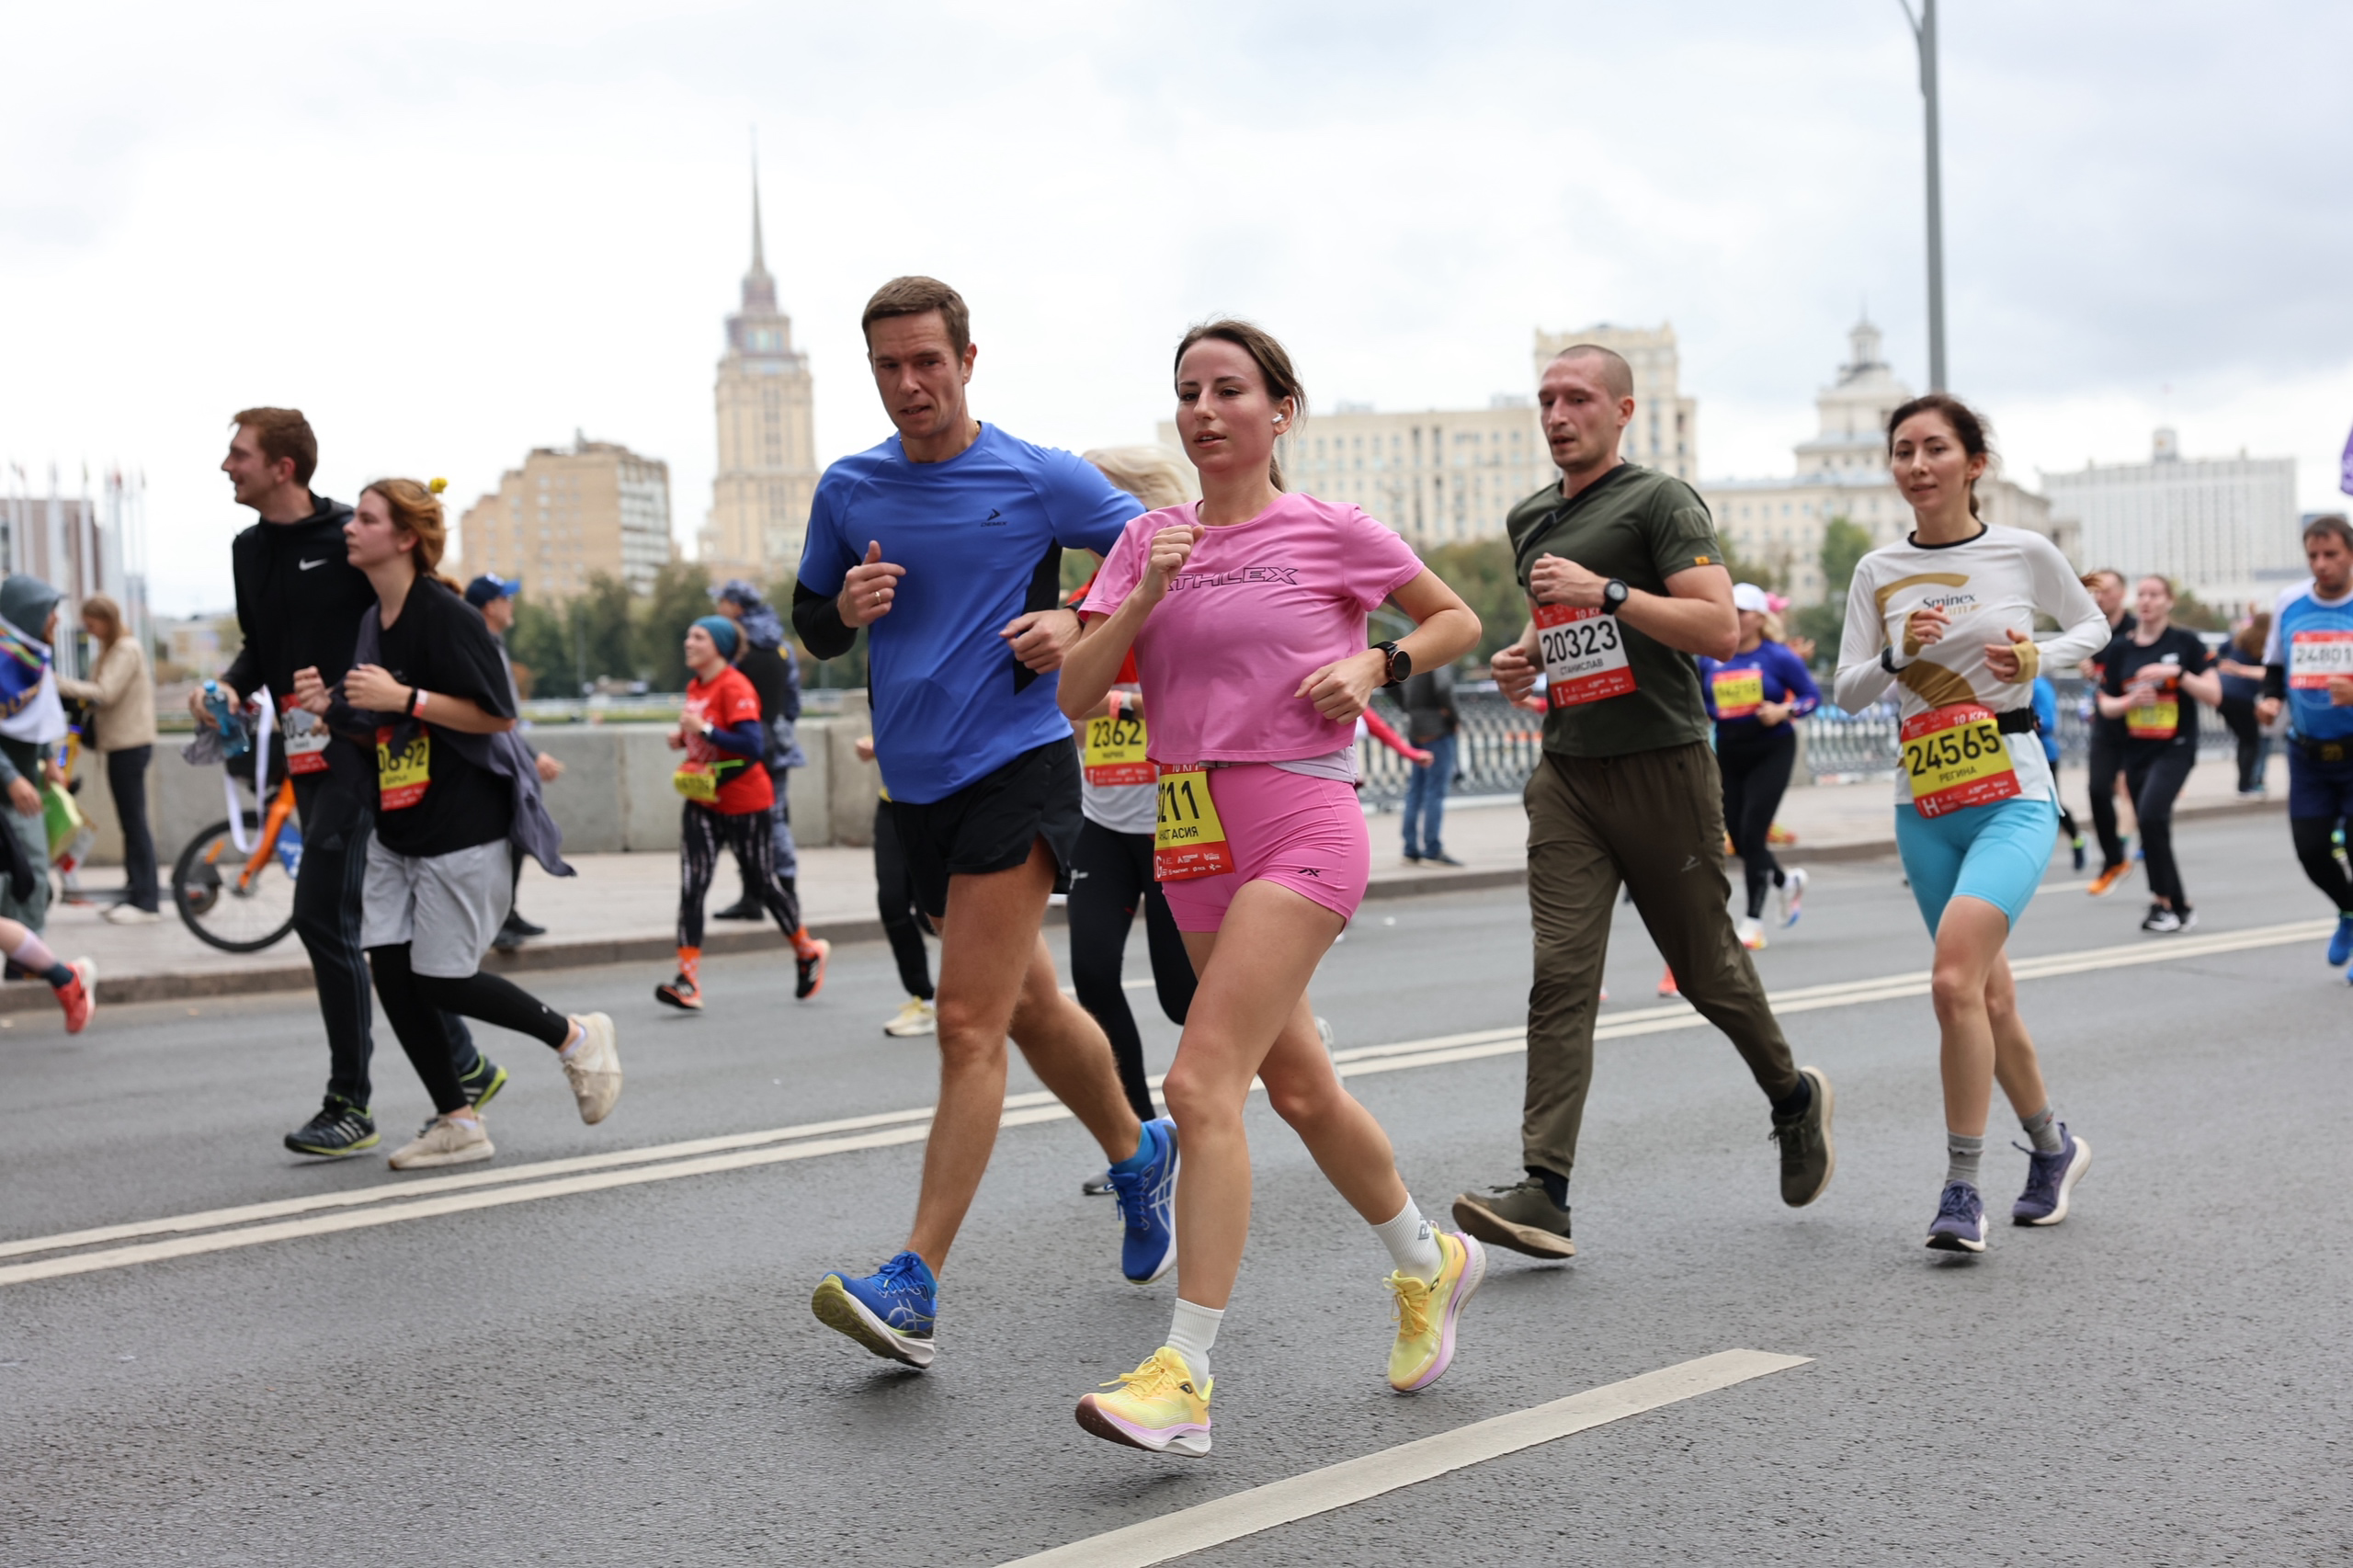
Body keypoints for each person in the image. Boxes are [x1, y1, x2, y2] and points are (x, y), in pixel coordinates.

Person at [1060, 319, 1485, 1457]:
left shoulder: (1331, 530)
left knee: (1200, 1084)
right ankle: (1426, 1259)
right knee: (1295, 1088)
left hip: (1301, 815)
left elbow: (1457, 618)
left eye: (1229, 389)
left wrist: (1377, 661)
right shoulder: (1146, 539)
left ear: (1278, 411)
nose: (1204, 409)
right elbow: (1074, 694)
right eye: (1187, 391)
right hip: (1189, 829)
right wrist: (1143, 598)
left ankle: (1184, 1372)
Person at [791, 276, 1176, 1370]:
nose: (910, 384)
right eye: (887, 367)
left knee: (966, 1020)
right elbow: (809, 618)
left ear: (967, 359)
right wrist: (843, 613)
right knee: (1028, 1002)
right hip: (917, 789)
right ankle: (1140, 1148)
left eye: (927, 361)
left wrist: (1075, 614)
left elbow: (1162, 550)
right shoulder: (850, 486)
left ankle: (912, 1282)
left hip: (1018, 762)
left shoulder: (1034, 473)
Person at [1453, 344, 1836, 1264]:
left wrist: (1609, 590)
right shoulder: (1529, 517)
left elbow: (1711, 624)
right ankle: (1544, 1190)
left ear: (1623, 411)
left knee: (1706, 969)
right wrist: (1527, 656)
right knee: (1560, 975)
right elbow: (1566, 628)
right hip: (1571, 771)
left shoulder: (1662, 500)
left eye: (1576, 397)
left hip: (1663, 764)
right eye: (1545, 399)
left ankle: (1790, 1096)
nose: (1556, 413)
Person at [1833, 393, 2105, 1252]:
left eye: (1935, 449)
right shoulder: (1877, 570)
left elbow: (2094, 625)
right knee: (1987, 993)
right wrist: (1895, 654)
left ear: (1974, 463)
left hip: (2015, 794)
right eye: (1903, 451)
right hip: (1925, 805)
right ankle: (2055, 1149)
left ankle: (1961, 1188)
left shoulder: (2021, 552)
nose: (1916, 466)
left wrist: (2038, 656)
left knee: (1953, 983)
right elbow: (1845, 689)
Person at [291, 479, 620, 1170]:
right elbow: (385, 723)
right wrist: (335, 709)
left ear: (405, 538)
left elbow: (497, 714)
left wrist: (403, 694)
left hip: (462, 822)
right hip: (398, 819)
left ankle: (574, 1036)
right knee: (389, 966)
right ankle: (458, 1120)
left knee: (441, 979)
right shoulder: (372, 621)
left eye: (369, 518)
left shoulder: (446, 615)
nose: (351, 527)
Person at [208, 409, 494, 1157]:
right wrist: (232, 687)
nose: (225, 466)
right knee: (367, 926)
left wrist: (391, 705)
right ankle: (461, 1058)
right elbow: (260, 646)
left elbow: (413, 615)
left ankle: (351, 1104)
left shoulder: (346, 537)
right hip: (303, 753)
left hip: (365, 755)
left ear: (284, 467)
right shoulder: (246, 549)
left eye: (238, 454)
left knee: (323, 919)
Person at [1063, 447, 1199, 1131]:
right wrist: (1118, 704)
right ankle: (1143, 1138)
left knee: (1184, 999)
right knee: (1091, 976)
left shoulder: (1187, 585)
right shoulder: (1081, 602)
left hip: (1178, 817)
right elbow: (1065, 701)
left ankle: (1287, 1037)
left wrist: (1123, 700)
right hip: (1104, 819)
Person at [657, 615, 827, 1007]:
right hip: (703, 801)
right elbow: (703, 734)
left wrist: (704, 731)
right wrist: (683, 737)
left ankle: (807, 950)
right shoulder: (695, 685)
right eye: (688, 634)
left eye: (697, 636)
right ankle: (688, 980)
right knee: (692, 885)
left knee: (764, 882)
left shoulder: (735, 686)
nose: (688, 642)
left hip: (745, 801)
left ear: (717, 645)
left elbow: (752, 744)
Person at [1698, 581, 1821, 949]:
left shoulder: (1778, 657)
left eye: (1742, 612)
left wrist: (1784, 710)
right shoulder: (1710, 657)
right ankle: (1787, 882)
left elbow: (1810, 697)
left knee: (1753, 831)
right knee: (1737, 835)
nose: (1734, 618)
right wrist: (1709, 714)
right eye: (1729, 611)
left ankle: (1752, 922)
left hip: (1772, 749)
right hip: (1730, 751)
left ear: (1759, 618)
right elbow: (1700, 701)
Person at [2256, 514, 2353, 975]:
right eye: (2313, 556)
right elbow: (2276, 666)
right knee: (2312, 850)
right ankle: (2349, 911)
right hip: (2308, 752)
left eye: (2331, 554)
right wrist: (2270, 700)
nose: (2321, 565)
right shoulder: (2290, 602)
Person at [2095, 575, 2221, 934]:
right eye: (2142, 595)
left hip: (2175, 747)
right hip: (2136, 749)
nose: (2147, 601)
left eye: (2155, 595)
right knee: (2153, 825)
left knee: (2150, 815)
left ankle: (2170, 902)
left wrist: (2177, 674)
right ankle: (2170, 904)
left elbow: (2214, 693)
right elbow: (2105, 704)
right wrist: (2131, 701)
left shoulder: (2185, 643)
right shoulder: (2120, 649)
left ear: (2169, 601)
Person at [461, 574, 565, 951]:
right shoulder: (478, 645)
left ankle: (506, 913)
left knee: (515, 837)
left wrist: (530, 754)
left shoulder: (493, 643)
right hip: (489, 758)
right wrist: (529, 756)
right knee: (501, 840)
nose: (512, 604)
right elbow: (491, 717)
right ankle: (495, 921)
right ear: (489, 606)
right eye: (507, 598)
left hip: (503, 751)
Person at [57, 595, 160, 924]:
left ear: (106, 619)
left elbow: (103, 692)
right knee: (130, 822)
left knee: (134, 822)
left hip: (129, 746)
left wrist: (58, 683)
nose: (89, 630)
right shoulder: (110, 650)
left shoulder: (125, 650)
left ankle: (146, 902)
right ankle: (136, 891)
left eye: (92, 624)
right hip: (119, 746)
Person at [857, 733, 937, 1037]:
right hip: (892, 804)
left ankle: (996, 984)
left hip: (939, 800)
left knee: (931, 912)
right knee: (891, 902)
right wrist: (872, 741)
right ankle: (924, 999)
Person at [2080, 568, 2140, 896]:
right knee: (2097, 790)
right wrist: (2087, 669)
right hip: (2106, 723)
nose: (2100, 597)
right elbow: (2098, 679)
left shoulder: (2136, 630)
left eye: (2107, 590)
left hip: (2139, 725)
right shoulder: (2092, 631)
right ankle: (2113, 859)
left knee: (2141, 797)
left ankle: (2161, 881)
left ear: (2122, 593)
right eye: (2096, 592)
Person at [1400, 661, 1461, 865]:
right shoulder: (1440, 652)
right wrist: (1454, 717)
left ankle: (1410, 848)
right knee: (1435, 790)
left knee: (1416, 789)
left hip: (1416, 726)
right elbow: (1443, 687)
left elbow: (1391, 684)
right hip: (1437, 726)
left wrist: (1410, 709)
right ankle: (1432, 849)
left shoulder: (1412, 654)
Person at [2029, 674, 2088, 871]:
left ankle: (2077, 839)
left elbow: (2048, 723)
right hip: (2017, 758)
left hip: (2044, 755)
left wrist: (2017, 723)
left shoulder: (2038, 686)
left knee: (2052, 803)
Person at [2214, 614, 2272, 797]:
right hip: (2242, 696)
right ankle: (2246, 785)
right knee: (2251, 741)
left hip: (2221, 692)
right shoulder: (2265, 644)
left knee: (2244, 740)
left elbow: (2219, 651)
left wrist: (2224, 665)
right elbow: (2270, 672)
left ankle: (2244, 783)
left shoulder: (2240, 638)